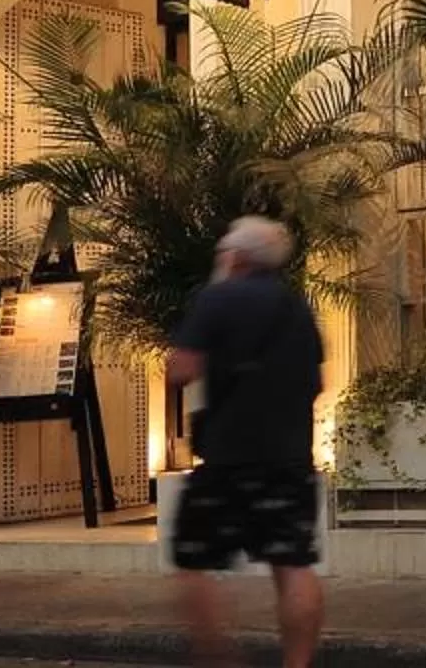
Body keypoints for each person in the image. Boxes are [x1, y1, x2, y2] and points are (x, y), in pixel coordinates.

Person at [168, 215, 326, 668]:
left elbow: (182, 369)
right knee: (293, 563)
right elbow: (315, 381)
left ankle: (221, 659)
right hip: (291, 457)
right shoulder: (297, 307)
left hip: (229, 457)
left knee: (193, 558)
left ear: (235, 256)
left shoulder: (217, 299)